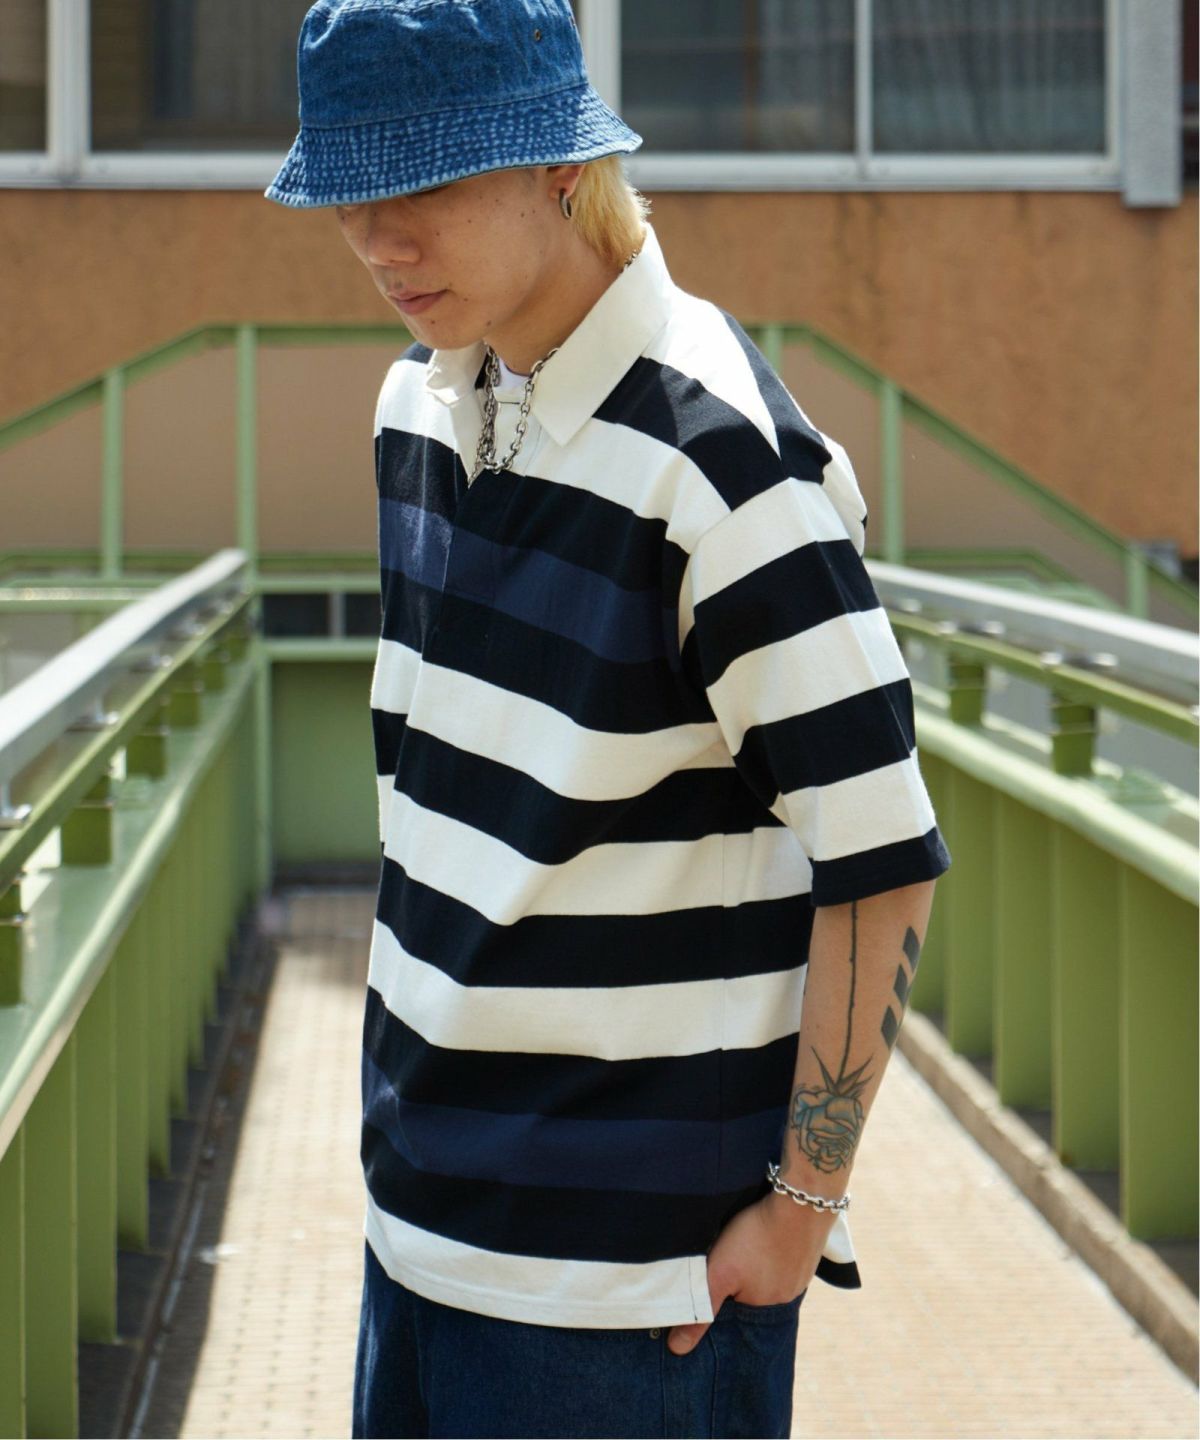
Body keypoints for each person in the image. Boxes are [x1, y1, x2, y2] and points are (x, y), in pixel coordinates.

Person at [267, 2, 951, 1435]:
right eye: (347, 194)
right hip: (413, 1240)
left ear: (563, 166)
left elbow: (881, 861)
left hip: (628, 1309)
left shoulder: (724, 467)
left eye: (423, 184)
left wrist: (802, 1209)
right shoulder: (419, 406)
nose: (379, 241)